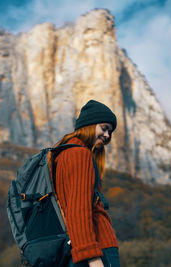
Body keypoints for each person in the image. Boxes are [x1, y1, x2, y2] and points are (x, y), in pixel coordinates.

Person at [51, 100, 120, 267]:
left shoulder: (62, 154)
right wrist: (93, 258)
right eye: (104, 128)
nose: (107, 136)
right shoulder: (80, 155)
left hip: (74, 248)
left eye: (109, 132)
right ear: (89, 125)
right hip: (97, 247)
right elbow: (78, 209)